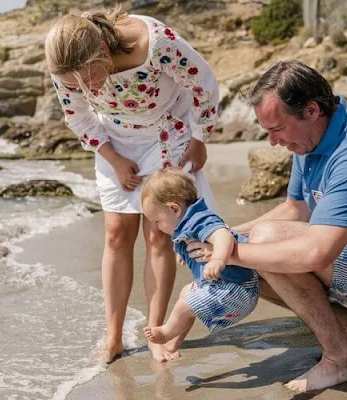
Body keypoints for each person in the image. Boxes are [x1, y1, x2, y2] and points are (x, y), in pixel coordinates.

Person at [185, 60, 347, 392]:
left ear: (311, 110)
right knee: (249, 246)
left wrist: (230, 254)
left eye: (276, 129)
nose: (272, 142)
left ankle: (341, 360)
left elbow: (315, 253)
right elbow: (296, 210)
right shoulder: (313, 137)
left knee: (262, 246)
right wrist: (224, 237)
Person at [45, 7, 219, 363]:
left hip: (166, 131)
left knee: (158, 233)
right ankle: (113, 338)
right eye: (74, 83)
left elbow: (203, 85)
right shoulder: (66, 68)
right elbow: (78, 117)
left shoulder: (155, 44)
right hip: (115, 138)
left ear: (102, 51)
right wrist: (114, 159)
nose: (84, 88)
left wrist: (200, 138)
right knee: (115, 234)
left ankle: (156, 331)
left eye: (89, 76)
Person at [139, 168, 259, 349]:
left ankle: (166, 332)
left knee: (184, 305)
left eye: (157, 221)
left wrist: (218, 259)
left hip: (236, 290)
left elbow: (222, 235)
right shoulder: (185, 222)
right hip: (225, 287)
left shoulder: (199, 219)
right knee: (186, 294)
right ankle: (174, 342)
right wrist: (182, 252)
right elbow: (187, 239)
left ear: (174, 208)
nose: (156, 227)